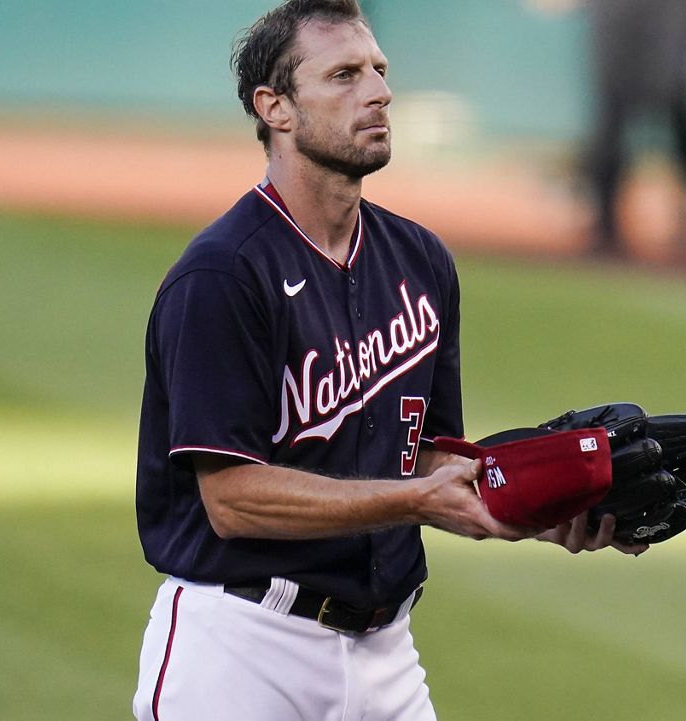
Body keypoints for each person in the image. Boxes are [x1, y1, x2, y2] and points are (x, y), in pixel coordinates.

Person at [131, 2, 645, 719]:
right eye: (343, 75)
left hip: (387, 655)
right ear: (275, 107)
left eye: (379, 70)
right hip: (242, 649)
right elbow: (232, 498)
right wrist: (413, 500)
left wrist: (538, 504)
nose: (377, 92)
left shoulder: (420, 260)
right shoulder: (222, 277)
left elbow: (426, 458)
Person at [584, 0, 686, 259]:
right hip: (620, 16)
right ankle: (603, 223)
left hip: (668, 13)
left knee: (672, 94)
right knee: (614, 107)